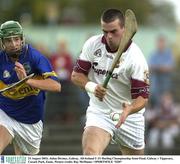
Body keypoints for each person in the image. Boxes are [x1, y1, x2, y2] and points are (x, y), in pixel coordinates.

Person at [71, 9, 150, 155]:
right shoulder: (92, 44)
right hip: (100, 113)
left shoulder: (136, 59)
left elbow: (142, 98)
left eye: (114, 31)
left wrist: (130, 109)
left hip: (130, 118)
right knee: (90, 154)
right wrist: (93, 87)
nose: (109, 36)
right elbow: (76, 75)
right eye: (105, 31)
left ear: (124, 29)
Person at [0, 20, 61, 155]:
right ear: (2, 42)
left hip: (31, 119)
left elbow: (56, 86)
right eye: (8, 40)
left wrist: (26, 81)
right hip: (6, 113)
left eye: (16, 39)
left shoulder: (35, 57)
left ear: (22, 39)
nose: (13, 44)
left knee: (22, 160)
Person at [148, 35, 175, 108]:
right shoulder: (153, 54)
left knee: (166, 101)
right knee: (155, 99)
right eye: (159, 42)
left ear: (165, 43)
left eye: (162, 42)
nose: (160, 44)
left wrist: (157, 67)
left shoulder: (168, 54)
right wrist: (161, 68)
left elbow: (170, 67)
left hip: (166, 83)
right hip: (155, 82)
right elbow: (149, 67)